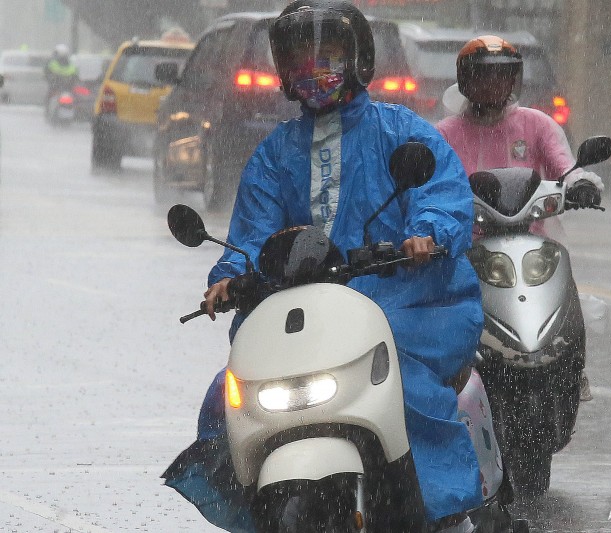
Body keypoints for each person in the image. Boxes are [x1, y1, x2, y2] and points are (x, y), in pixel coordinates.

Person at [163, 2, 484, 532]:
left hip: (403, 304)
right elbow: (250, 236)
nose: (313, 71)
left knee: (409, 393)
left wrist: (426, 235)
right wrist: (227, 277)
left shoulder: (402, 132)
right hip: (304, 316)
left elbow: (442, 195)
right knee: (231, 397)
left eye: (327, 57)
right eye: (299, 59)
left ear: (358, 59)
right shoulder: (275, 153)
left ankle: (448, 518)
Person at [436, 35, 604, 401]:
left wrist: (581, 184)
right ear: (465, 81)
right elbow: (426, 184)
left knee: (564, 283)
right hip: (467, 248)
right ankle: (444, 377)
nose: (493, 85)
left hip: (532, 241)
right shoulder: (444, 134)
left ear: (515, 80)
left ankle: (572, 368)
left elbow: (566, 166)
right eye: (483, 76)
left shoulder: (537, 125)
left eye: (502, 76)